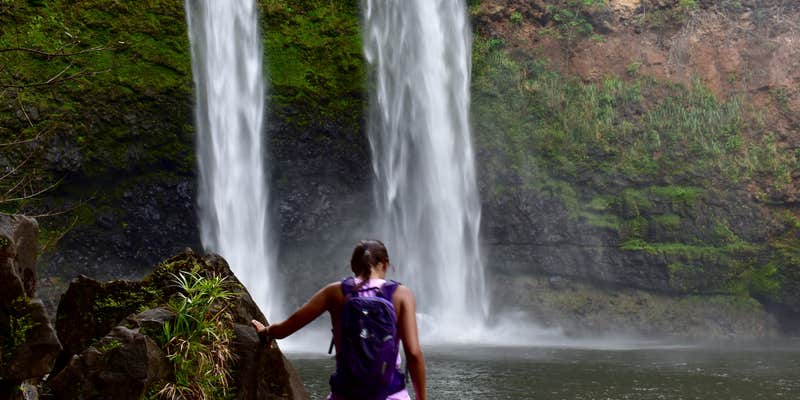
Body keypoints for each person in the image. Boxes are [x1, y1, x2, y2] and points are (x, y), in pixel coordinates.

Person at [251, 240, 427, 400]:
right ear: (385, 264)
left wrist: (267, 332)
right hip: (390, 393)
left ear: (352, 266)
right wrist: (421, 397)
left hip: (345, 393)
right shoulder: (402, 295)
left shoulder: (334, 292)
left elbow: (288, 327)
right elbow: (413, 353)